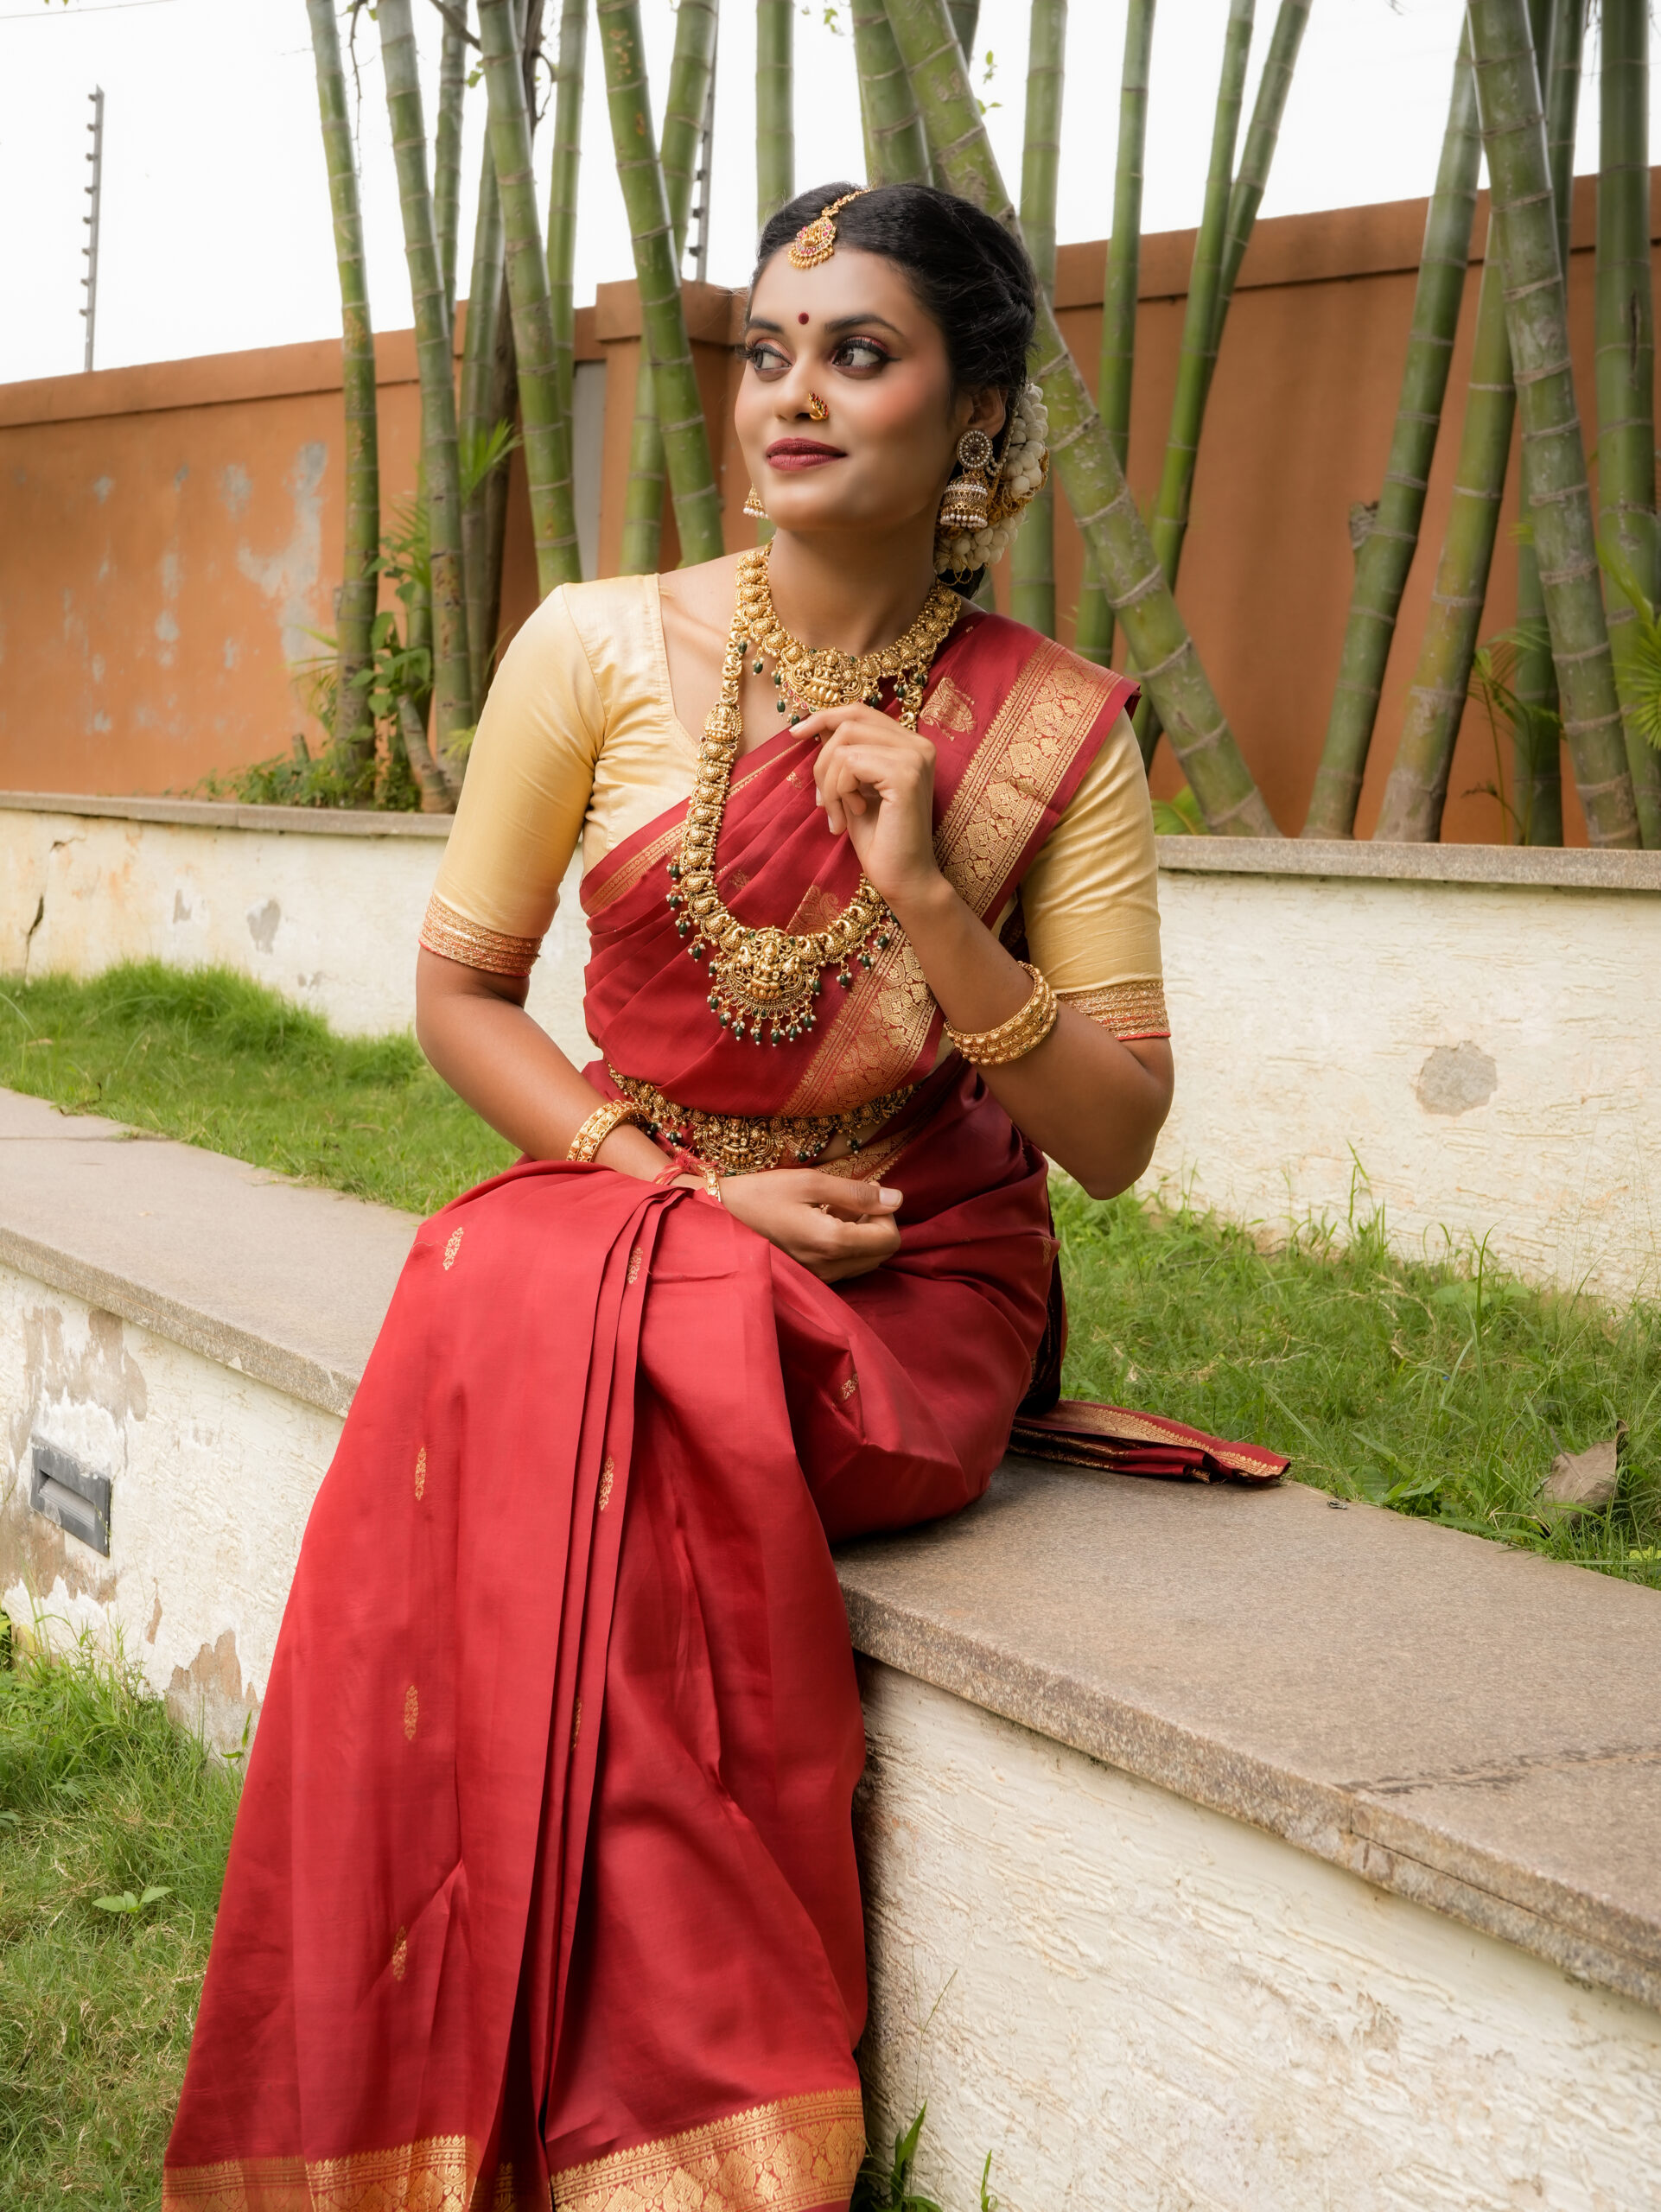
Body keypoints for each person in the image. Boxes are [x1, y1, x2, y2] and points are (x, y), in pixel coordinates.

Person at [164, 181, 1179, 2212]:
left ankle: (646, 2111)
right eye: (767, 352)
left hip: (902, 1277)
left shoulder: (1055, 729)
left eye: (859, 355)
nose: (790, 394)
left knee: (560, 1348)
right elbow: (460, 995)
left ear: (977, 416)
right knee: (508, 1273)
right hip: (642, 1208)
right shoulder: (594, 646)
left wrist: (924, 895)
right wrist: (679, 1203)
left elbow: (1118, 1129)